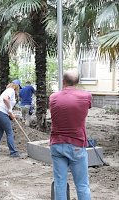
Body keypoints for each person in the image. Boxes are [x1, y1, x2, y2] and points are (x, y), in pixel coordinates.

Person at [49, 69, 92, 200]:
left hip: (57, 144)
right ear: (78, 82)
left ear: (63, 81)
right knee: (82, 184)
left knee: (60, 183)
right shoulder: (86, 96)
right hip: (77, 145)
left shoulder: (53, 97)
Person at [0, 82, 20, 157]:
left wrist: (11, 114)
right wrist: (10, 109)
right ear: (16, 86)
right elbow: (5, 99)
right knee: (9, 133)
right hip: (1, 113)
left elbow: (5, 105)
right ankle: (13, 152)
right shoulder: (11, 90)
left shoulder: (6, 91)